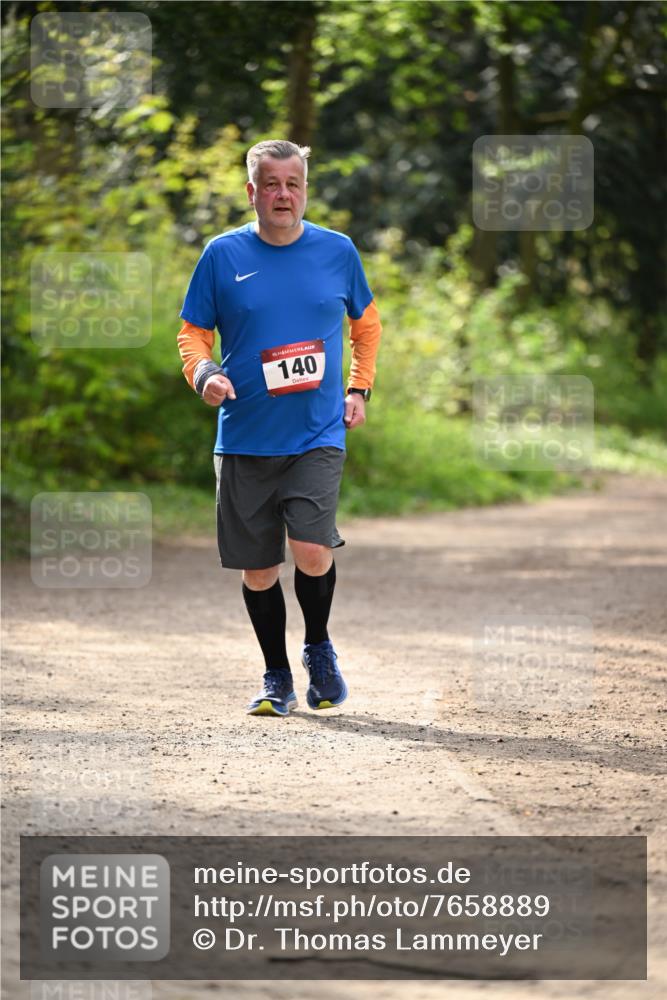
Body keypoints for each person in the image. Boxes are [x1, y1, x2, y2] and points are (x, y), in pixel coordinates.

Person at [177, 139, 382, 717]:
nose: (283, 195)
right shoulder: (221, 255)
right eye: (271, 184)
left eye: (293, 184)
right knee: (260, 568)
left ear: (305, 191)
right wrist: (205, 373)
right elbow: (192, 333)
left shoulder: (337, 251)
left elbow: (366, 326)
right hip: (245, 434)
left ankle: (318, 649)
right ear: (252, 192)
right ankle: (276, 675)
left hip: (317, 432)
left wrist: (358, 387)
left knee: (312, 550)